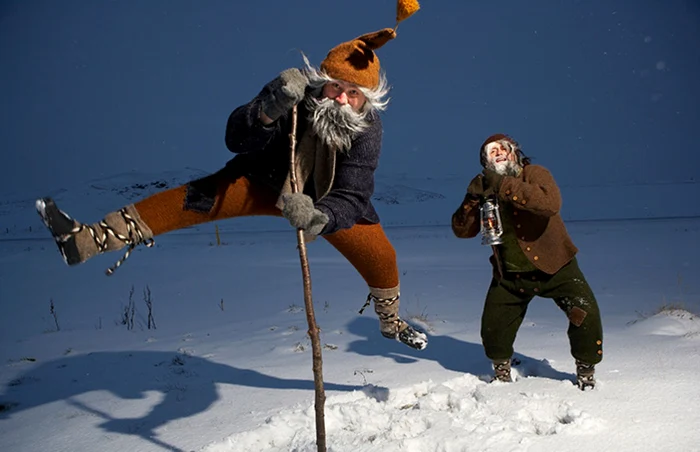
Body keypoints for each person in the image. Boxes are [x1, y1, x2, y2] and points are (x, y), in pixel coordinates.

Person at [35, 3, 428, 351]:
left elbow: (354, 190)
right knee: (192, 199)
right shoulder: (290, 93)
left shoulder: (368, 129)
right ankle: (87, 240)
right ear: (320, 80)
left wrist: (320, 217)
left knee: (382, 257)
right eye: (335, 86)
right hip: (263, 181)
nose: (341, 98)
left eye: (353, 93)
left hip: (324, 203)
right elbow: (235, 139)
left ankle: (391, 322)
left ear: (367, 99)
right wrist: (267, 109)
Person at [451, 134, 603, 390]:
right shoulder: (487, 187)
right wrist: (471, 200)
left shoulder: (534, 173)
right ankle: (502, 371)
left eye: (503, 148)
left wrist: (502, 185)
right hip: (510, 276)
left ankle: (585, 370)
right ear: (485, 161)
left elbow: (549, 203)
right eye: (491, 151)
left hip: (556, 268)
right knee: (494, 328)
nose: (497, 153)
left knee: (584, 315)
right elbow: (462, 231)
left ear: (515, 153)